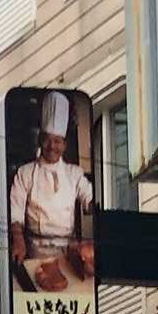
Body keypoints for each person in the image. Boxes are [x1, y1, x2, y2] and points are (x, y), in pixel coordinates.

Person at [7, 89, 93, 293]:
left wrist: (95, 211)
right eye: (47, 139)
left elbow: (89, 198)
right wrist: (18, 240)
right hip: (36, 252)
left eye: (57, 141)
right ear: (40, 139)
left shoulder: (74, 174)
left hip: (68, 253)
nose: (51, 146)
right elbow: (16, 209)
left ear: (64, 144)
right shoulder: (25, 173)